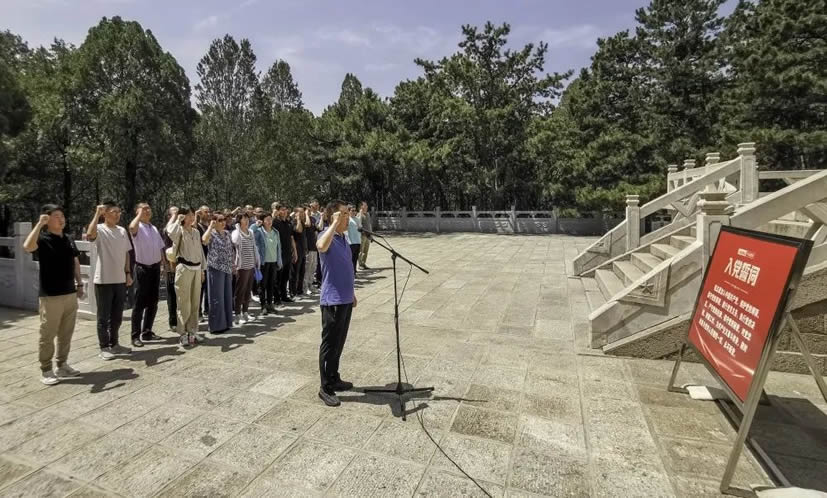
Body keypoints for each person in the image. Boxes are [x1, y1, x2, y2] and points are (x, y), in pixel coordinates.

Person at [23, 204, 83, 385]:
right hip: (51, 295)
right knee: (48, 334)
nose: (61, 219)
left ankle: (62, 365)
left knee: (66, 333)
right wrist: (39, 225)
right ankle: (46, 369)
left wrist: (79, 283)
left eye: (62, 215)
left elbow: (75, 262)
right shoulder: (43, 238)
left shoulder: (68, 238)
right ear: (47, 219)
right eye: (57, 216)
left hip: (69, 293)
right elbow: (27, 247)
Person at [316, 200, 358, 407]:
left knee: (339, 342)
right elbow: (321, 247)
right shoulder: (327, 235)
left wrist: (353, 293)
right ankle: (325, 387)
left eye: (348, 213)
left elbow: (347, 268)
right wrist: (332, 224)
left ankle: (334, 377)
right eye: (342, 214)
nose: (347, 216)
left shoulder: (343, 238)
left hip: (345, 298)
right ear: (333, 216)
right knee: (329, 344)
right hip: (331, 299)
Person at [86, 201, 133, 360]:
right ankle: (104, 347)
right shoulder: (99, 229)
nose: (117, 214)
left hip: (120, 279)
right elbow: (89, 235)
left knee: (117, 316)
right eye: (113, 212)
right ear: (105, 214)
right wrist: (96, 214)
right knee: (103, 316)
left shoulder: (121, 231)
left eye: (119, 212)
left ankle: (115, 343)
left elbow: (127, 253)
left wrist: (127, 272)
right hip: (103, 280)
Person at [167, 207, 206, 347]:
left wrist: (202, 270)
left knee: (195, 302)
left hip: (196, 268)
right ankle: (182, 333)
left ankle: (193, 331)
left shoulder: (195, 232)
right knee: (184, 303)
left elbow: (200, 252)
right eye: (188, 215)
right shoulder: (179, 231)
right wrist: (178, 219)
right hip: (184, 268)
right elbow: (170, 232)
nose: (191, 218)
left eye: (192, 215)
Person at [128, 203, 165, 348]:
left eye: (148, 208)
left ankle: (147, 331)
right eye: (143, 209)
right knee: (139, 304)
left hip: (155, 268)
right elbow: (131, 228)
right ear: (136, 212)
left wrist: (163, 264)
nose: (147, 211)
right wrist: (139, 215)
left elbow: (160, 247)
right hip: (142, 269)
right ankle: (135, 336)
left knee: (153, 303)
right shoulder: (137, 227)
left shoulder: (153, 228)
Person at [202, 214, 234, 334]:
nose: (223, 222)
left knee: (226, 297)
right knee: (217, 298)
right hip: (215, 268)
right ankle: (216, 326)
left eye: (224, 220)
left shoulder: (227, 233)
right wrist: (210, 227)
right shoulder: (212, 233)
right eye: (219, 220)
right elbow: (204, 240)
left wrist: (233, 265)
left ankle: (226, 323)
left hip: (227, 268)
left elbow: (231, 250)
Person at [231, 212, 260, 324]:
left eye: (247, 218)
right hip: (241, 267)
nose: (246, 220)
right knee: (240, 291)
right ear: (239, 221)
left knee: (248, 291)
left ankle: (246, 312)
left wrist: (257, 261)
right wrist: (238, 228)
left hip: (251, 265)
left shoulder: (251, 232)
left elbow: (254, 247)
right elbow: (235, 241)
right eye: (243, 219)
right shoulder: (235, 232)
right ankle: (237, 315)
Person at [255, 213, 282, 315]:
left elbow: (279, 247)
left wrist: (279, 261)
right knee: (262, 285)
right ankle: (263, 306)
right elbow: (252, 236)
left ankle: (270, 305)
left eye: (270, 219)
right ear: (262, 221)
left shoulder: (276, 232)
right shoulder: (258, 232)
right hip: (263, 263)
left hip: (273, 262)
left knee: (271, 284)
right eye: (267, 219)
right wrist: (255, 225)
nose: (269, 221)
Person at [273, 203, 297, 303]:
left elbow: (291, 238)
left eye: (285, 209)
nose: (284, 212)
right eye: (281, 210)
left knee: (285, 276)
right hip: (279, 253)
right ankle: (276, 298)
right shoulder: (275, 222)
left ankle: (284, 295)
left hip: (288, 253)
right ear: (278, 211)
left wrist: (295, 252)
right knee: (278, 276)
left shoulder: (288, 223)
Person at [162, 207, 178, 332]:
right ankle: (173, 322)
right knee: (172, 296)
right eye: (174, 213)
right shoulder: (166, 230)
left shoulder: (181, 229)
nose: (178, 215)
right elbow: (162, 249)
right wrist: (166, 266)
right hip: (171, 267)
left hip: (183, 266)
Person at [196, 205, 211, 320]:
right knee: (200, 288)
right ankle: (198, 312)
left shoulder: (210, 226)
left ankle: (207, 309)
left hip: (211, 259)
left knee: (208, 287)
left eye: (209, 211)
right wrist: (195, 216)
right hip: (201, 260)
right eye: (205, 212)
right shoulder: (198, 227)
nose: (208, 213)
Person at [290, 207, 307, 296]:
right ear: (296, 213)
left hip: (303, 250)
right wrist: (298, 219)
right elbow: (299, 230)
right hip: (296, 251)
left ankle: (300, 291)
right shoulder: (293, 223)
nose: (303, 214)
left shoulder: (303, 223)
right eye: (300, 212)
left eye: (303, 212)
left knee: (302, 272)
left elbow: (308, 224)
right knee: (295, 272)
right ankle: (293, 292)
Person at [304, 205, 320, 295]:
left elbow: (319, 228)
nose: (310, 211)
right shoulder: (305, 219)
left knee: (313, 267)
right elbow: (307, 224)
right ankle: (305, 287)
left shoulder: (313, 219)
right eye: (308, 210)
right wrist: (306, 215)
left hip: (314, 247)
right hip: (308, 247)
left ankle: (310, 285)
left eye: (310, 210)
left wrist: (321, 217)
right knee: (307, 268)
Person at [346, 205, 361, 273]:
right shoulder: (347, 219)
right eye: (352, 210)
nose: (354, 212)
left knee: (355, 257)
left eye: (355, 210)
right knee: (351, 258)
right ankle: (350, 271)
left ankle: (354, 270)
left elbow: (360, 227)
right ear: (348, 211)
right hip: (351, 241)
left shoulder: (357, 219)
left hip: (357, 240)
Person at [357, 201, 372, 270]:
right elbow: (359, 224)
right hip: (362, 236)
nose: (366, 207)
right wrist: (360, 213)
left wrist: (371, 234)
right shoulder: (359, 215)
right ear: (361, 207)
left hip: (368, 235)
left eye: (366, 206)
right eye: (365, 206)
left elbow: (369, 225)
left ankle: (363, 263)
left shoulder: (368, 214)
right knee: (361, 250)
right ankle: (360, 264)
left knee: (366, 250)